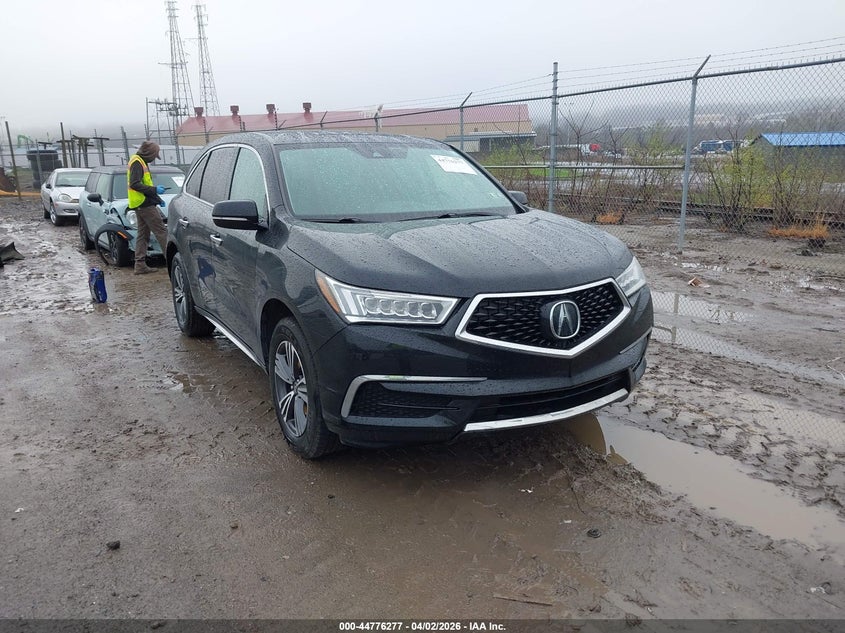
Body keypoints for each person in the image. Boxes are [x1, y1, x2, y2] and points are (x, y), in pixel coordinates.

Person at [127, 141, 167, 275]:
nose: (154, 159)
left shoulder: (140, 161)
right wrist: (155, 189)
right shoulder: (137, 162)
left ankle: (140, 264)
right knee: (161, 231)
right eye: (154, 156)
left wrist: (158, 198)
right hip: (143, 203)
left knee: (143, 234)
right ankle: (173, 261)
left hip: (142, 202)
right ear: (148, 153)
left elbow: (145, 185)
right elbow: (135, 184)